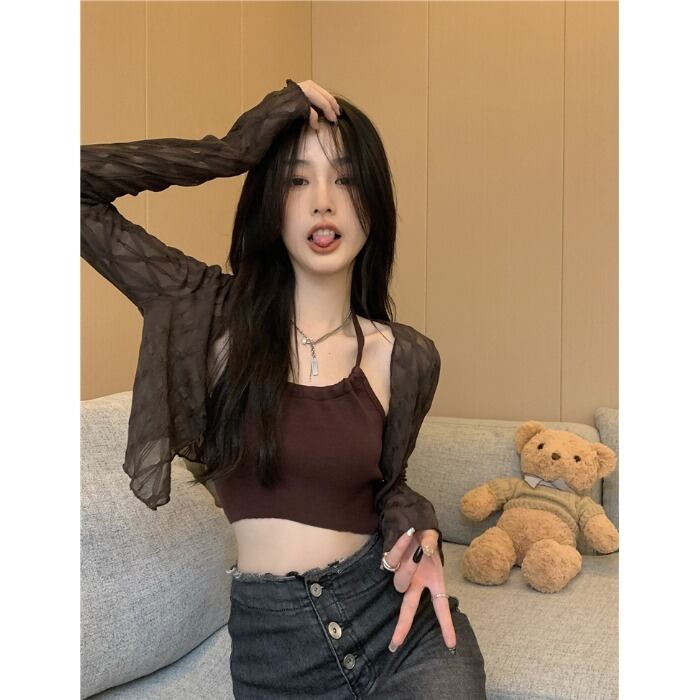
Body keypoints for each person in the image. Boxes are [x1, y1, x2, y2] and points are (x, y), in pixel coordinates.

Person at [81, 77, 486, 699]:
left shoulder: (406, 357)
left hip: (405, 637)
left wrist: (420, 530)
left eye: (345, 180)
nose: (323, 202)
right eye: (298, 180)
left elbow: (388, 486)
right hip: (279, 651)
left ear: (373, 205)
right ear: (272, 202)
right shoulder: (209, 316)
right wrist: (233, 150)